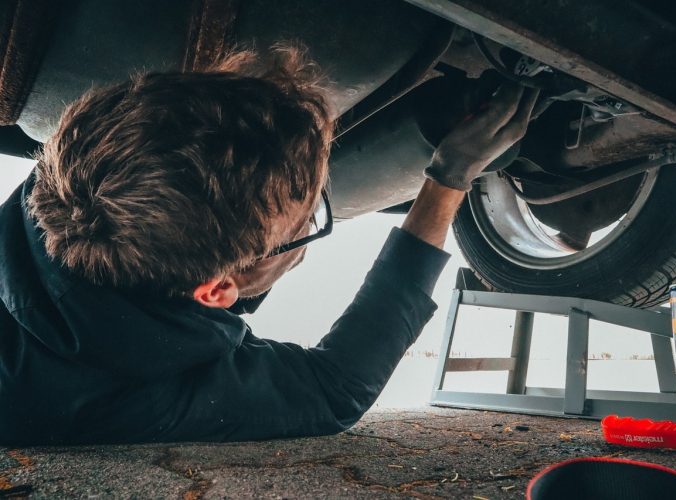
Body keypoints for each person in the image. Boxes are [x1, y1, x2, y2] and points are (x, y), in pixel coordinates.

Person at [0, 48, 537, 445]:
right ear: (215, 290)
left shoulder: (80, 177)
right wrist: (448, 178)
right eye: (310, 219)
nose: (311, 220)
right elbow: (335, 390)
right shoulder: (126, 396)